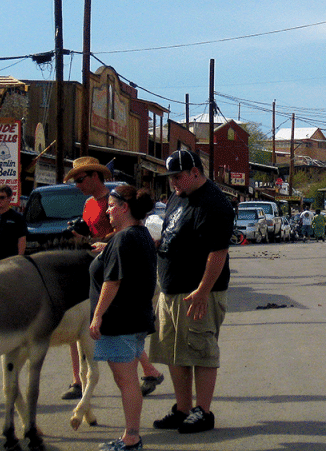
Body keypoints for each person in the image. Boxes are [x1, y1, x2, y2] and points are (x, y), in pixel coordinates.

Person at [62, 156, 165, 401]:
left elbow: (125, 233)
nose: (78, 184)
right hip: (100, 265)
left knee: (119, 330)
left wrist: (105, 245)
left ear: (95, 177)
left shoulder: (118, 199)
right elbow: (92, 233)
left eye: (80, 179)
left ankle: (143, 378)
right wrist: (79, 236)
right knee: (78, 323)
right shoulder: (88, 205)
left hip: (118, 268)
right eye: (75, 181)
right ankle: (78, 378)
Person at [150, 150, 234, 435]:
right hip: (171, 288)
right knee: (175, 352)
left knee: (200, 351)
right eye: (171, 177)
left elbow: (218, 251)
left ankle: (203, 412)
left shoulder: (214, 203)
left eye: (178, 176)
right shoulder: (178, 196)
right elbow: (173, 233)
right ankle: (183, 408)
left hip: (199, 293)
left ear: (195, 172)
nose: (173, 182)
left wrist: (202, 291)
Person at [89, 185, 158, 451]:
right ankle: (131, 436)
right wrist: (106, 248)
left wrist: (97, 317)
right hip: (137, 318)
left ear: (124, 208)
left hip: (121, 321)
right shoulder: (139, 234)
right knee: (127, 379)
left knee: (126, 381)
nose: (107, 210)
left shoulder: (123, 239)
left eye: (111, 205)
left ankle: (131, 439)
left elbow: (113, 281)